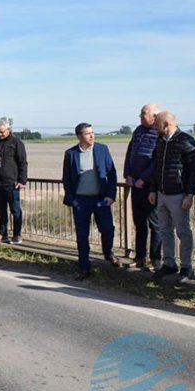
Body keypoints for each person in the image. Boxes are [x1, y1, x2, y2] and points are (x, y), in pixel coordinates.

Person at [62, 123, 121, 279]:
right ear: (79, 136)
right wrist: (72, 199)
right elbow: (66, 179)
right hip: (81, 201)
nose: (92, 136)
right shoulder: (71, 154)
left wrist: (111, 195)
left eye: (93, 132)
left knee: (107, 229)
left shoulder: (102, 149)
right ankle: (84, 268)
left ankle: (108, 253)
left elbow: (112, 173)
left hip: (101, 199)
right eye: (87, 133)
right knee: (82, 235)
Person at [148, 112, 195, 283]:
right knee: (165, 230)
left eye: (157, 124)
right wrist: (153, 189)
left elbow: (194, 170)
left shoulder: (185, 141)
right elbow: (156, 167)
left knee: (183, 232)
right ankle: (169, 263)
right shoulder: (160, 141)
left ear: (166, 124)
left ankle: (186, 267)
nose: (154, 127)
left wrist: (189, 194)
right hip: (161, 193)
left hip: (179, 194)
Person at [123, 104, 162, 271]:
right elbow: (130, 152)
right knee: (139, 223)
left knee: (155, 224)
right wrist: (127, 174)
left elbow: (156, 159)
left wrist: (144, 178)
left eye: (143, 113)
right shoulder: (138, 131)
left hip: (150, 186)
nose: (140, 116)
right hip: (135, 184)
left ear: (154, 116)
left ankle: (155, 260)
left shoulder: (159, 131)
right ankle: (140, 257)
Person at [0, 118, 28, 244]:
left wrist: (22, 180)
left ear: (8, 130)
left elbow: (23, 162)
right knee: (1, 210)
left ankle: (17, 235)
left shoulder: (16, 143)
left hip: (11, 183)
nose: (0, 134)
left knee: (15, 210)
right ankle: (3, 234)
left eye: (2, 132)